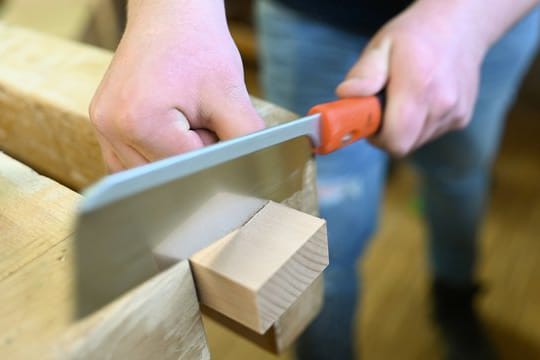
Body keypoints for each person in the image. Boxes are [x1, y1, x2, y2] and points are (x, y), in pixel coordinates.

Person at [89, 1, 540, 359]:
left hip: (492, 22)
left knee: (458, 178)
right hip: (313, 16)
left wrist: (466, 18)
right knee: (323, 242)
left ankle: (455, 300)